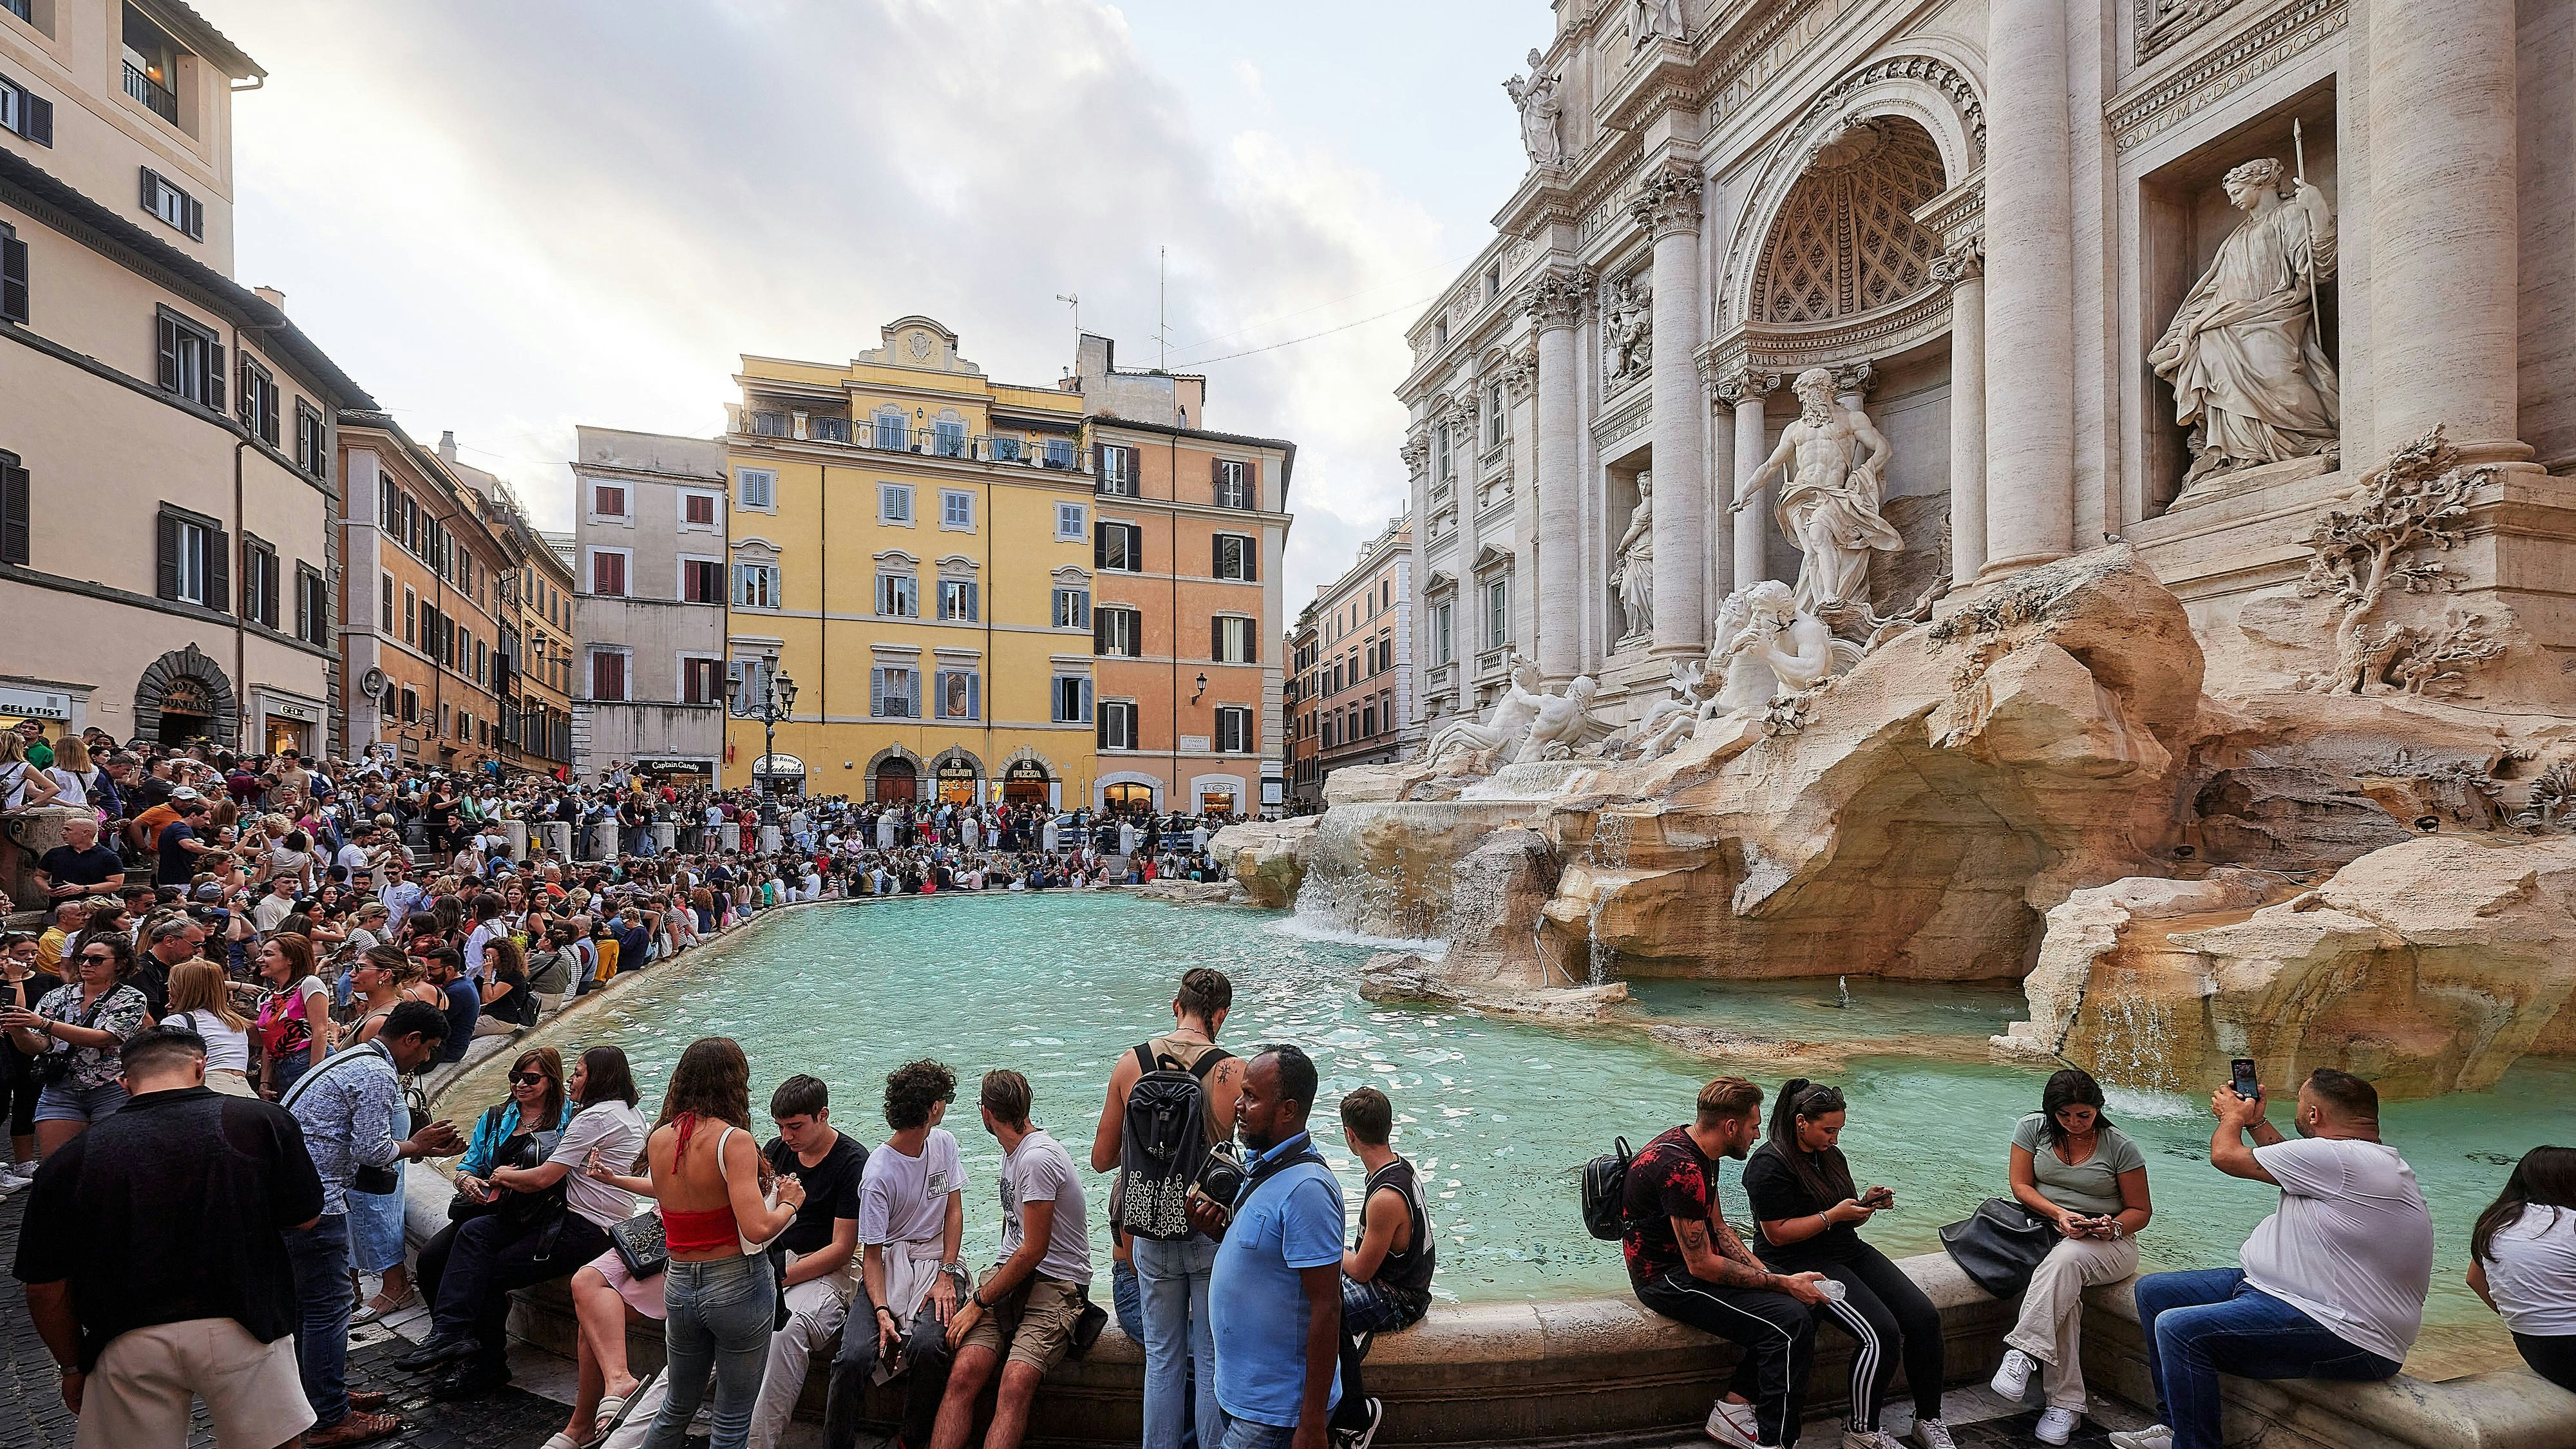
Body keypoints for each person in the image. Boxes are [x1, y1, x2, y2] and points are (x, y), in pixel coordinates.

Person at [12, 1027, 326, 1449]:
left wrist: (72, 1365)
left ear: (123, 1083)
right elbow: (304, 1219)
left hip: (126, 1339)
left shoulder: (70, 1159)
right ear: (200, 1067)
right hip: (246, 1324)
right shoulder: (261, 1122)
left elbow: (44, 1288)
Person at [2112, 1069, 2434, 1449]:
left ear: (2314, 1115)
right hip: (2280, 1294)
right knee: (2154, 1292)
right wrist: (2257, 1123)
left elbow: (2225, 1156)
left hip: (2347, 1333)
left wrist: (2232, 1116)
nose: (2296, 1110)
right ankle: (2173, 1429)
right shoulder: (2360, 1159)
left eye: (2299, 1103)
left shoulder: (2338, 1158)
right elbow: (2287, 1165)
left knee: (2179, 1328)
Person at [402, 1046, 647, 1401]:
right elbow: (471, 1164)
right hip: (519, 1210)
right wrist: (468, 1179)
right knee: (449, 1248)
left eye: (531, 1079)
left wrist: (503, 1176)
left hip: (561, 1217)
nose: (521, 1084)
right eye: (515, 1077)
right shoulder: (500, 1116)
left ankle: (480, 1359)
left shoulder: (580, 1117)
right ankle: (450, 1336)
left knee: (484, 1270)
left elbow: (545, 1177)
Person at [281, 1001, 464, 1446]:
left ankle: (319, 1397)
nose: (425, 1059)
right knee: (328, 1309)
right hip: (318, 1203)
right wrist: (418, 1145)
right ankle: (329, 1420)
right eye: (428, 1049)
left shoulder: (351, 1058)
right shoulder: (377, 1073)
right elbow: (373, 1150)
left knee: (307, 1309)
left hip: (294, 1196)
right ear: (411, 1040)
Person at [1742, 1081, 1954, 1449]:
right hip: (1801, 1260)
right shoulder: (1769, 1164)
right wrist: (1833, 1216)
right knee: (1881, 1334)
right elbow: (1776, 1234)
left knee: (1924, 1318)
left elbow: (1842, 1212)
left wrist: (1865, 1205)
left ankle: (1928, 1418)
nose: (1835, 1138)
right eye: (1829, 1130)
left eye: (1838, 1130)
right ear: (1801, 1122)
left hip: (1847, 1251)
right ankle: (1861, 1430)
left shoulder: (1831, 1156)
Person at [1624, 1076, 1830, 1449]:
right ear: (1731, 1127)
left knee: (1806, 1300)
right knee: (1790, 1323)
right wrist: (1782, 1283)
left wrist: (1768, 1273)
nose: (1757, 1135)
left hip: (1693, 1265)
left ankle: (1734, 1408)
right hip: (1666, 1280)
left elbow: (1719, 1228)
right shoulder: (1682, 1168)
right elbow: (1701, 1265)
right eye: (1753, 1127)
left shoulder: (1703, 1151)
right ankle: (1776, 1442)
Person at [1095, 968, 1243, 1449]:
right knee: (1211, 1359)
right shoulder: (1233, 1073)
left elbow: (1101, 1159)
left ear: (1176, 1006)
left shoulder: (1130, 1063)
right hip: (1207, 1229)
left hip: (1150, 1227)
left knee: (1162, 1361)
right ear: (1221, 1015)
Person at [636, 1037, 802, 1449]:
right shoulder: (734, 1141)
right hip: (735, 1285)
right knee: (731, 1420)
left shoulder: (659, 1139)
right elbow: (757, 1228)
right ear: (734, 1082)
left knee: (676, 1406)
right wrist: (790, 1204)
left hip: (679, 1283)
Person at [1182, 1043, 1343, 1449]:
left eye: (1251, 1097)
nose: (1238, 1105)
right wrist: (1220, 1234)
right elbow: (1268, 1260)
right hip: (1240, 1396)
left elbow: (1327, 1306)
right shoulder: (1264, 1166)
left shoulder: (1308, 1190)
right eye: (1242, 1093)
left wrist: (1311, 1424)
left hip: (1276, 1413)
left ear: (1288, 1110)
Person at [925, 1068, 1092, 1449]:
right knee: (964, 1373)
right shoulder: (1013, 1152)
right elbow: (1014, 1233)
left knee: (1014, 1384)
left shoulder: (1037, 1159)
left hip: (1057, 1282)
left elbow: (1034, 1250)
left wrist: (978, 1302)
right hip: (1013, 1274)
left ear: (986, 1113)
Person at [1990, 1068, 2154, 1444]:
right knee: (2065, 1294)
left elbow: (2141, 1212)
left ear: (2098, 1108)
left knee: (2066, 1262)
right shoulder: (2032, 1129)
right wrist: (2060, 1214)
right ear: (2051, 1111)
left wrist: (2110, 1227)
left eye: (2084, 1115)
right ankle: (2066, 1405)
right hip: (2048, 1229)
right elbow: (2020, 1186)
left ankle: (2023, 1352)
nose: (2075, 1123)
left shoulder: (2121, 1147)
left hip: (2112, 1242)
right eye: (2064, 1115)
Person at [826, 1059, 967, 1449]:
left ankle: (912, 1440)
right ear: (934, 1108)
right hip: (890, 1265)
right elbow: (872, 1256)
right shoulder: (878, 1175)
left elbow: (954, 1211)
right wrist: (882, 1312)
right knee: (853, 1357)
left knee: (928, 1347)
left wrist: (946, 1274)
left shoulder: (944, 1144)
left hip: (940, 1262)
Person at [749, 1074, 869, 1449]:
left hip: (828, 1272)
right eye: (781, 1127)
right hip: (777, 1261)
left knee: (785, 1333)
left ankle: (758, 1443)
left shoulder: (852, 1162)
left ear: (823, 1115)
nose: (786, 1136)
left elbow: (842, 1249)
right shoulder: (777, 1151)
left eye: (795, 1126)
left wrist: (780, 1278)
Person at [1331, 1086, 1435, 1448]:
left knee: (1318, 1309)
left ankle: (1356, 1418)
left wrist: (1327, 1248)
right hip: (1399, 1281)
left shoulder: (1386, 1198)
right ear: (1389, 1127)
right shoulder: (1399, 1168)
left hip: (1400, 1298)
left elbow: (1361, 1270)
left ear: (1350, 1136)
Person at [2, 934, 150, 1156]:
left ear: (120, 964)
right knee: (57, 1163)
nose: (86, 964)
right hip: (60, 1088)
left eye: (97, 960)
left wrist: (43, 1023)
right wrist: (18, 1029)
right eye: (82, 958)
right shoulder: (57, 996)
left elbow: (104, 1038)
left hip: (112, 1088)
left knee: (110, 1160)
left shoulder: (130, 998)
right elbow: (38, 1046)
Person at [2467, 1145, 2576, 1392]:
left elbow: (2474, 1279)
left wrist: (2523, 1317)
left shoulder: (2495, 1222)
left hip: (2534, 1348)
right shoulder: (2571, 1222)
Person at [0, 932, 62, 1190]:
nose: (28, 958)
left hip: (30, 1051)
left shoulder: (47, 981)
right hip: (6, 1050)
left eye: (33, 953)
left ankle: (24, 1163)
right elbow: (18, 1014)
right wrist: (15, 979)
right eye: (20, 954)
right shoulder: (7, 982)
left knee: (27, 1104)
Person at [254, 933, 334, 1099]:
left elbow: (320, 1031)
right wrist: (265, 1082)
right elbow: (268, 1042)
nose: (259, 960)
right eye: (261, 954)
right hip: (283, 1068)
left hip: (308, 1061)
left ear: (291, 959)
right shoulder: (266, 998)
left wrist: (314, 1075)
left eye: (268, 954)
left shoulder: (309, 984)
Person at [162, 958, 255, 1098]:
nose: (169, 990)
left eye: (171, 985)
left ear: (182, 989)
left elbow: (167, 1068)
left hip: (209, 1089)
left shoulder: (178, 1021)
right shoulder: (236, 1022)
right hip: (246, 1092)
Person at [37, 816, 126, 906]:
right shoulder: (55, 853)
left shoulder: (108, 857)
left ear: (85, 832)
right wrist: (47, 889)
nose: (62, 833)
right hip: (60, 908)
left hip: (93, 909)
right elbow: (39, 876)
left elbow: (116, 884)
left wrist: (82, 889)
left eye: (68, 830)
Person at [425, 947, 480, 1061]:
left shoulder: (456, 992)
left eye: (432, 969)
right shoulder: (465, 981)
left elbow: (434, 1024)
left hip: (449, 1051)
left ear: (449, 969)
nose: (428, 974)